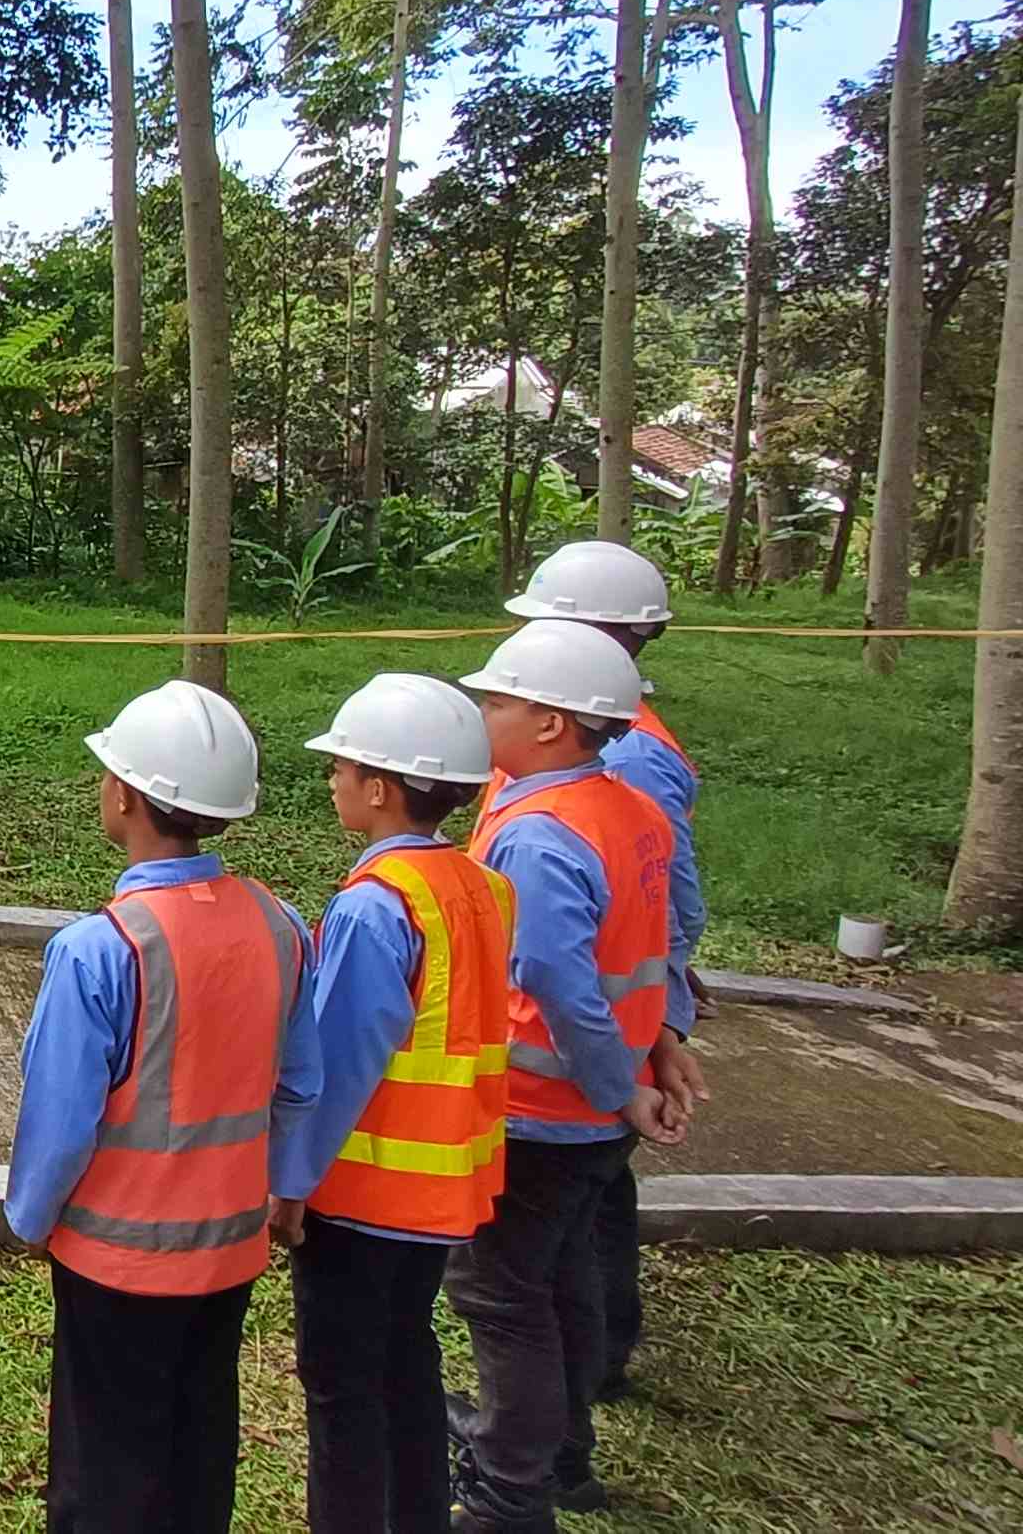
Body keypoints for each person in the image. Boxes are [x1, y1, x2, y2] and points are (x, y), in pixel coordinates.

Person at [5, 679, 319, 1534]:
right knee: (196, 1452)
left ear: (124, 795)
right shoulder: (282, 924)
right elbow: (300, 1082)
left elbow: (61, 1122)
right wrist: (287, 1189)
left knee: (103, 1467)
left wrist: (31, 1219)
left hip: (117, 1262)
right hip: (229, 1250)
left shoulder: (100, 948)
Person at [449, 621, 686, 1532]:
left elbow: (558, 982)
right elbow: (654, 943)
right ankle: (564, 1455)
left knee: (501, 1296)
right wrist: (650, 1054)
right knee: (563, 1284)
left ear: (551, 723)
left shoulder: (542, 837)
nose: (483, 712)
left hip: (543, 1110)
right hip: (598, 1110)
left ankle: (511, 1491)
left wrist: (615, 1083)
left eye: (498, 700)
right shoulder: (626, 810)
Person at [274, 674, 515, 1534]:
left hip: (367, 1196)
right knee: (407, 1363)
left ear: (378, 788)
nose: (333, 780)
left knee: (341, 1390)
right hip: (447, 1189)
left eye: (341, 767)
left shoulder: (377, 908)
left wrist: (289, 1182)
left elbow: (337, 1064)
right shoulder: (482, 887)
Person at [503, 540, 707, 1400]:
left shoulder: (620, 761)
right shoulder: (592, 755)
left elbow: (671, 907)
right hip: (594, 1070)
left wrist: (650, 1041)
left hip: (565, 1086)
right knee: (582, 1220)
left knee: (550, 1258)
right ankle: (579, 1392)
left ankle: (570, 1410)